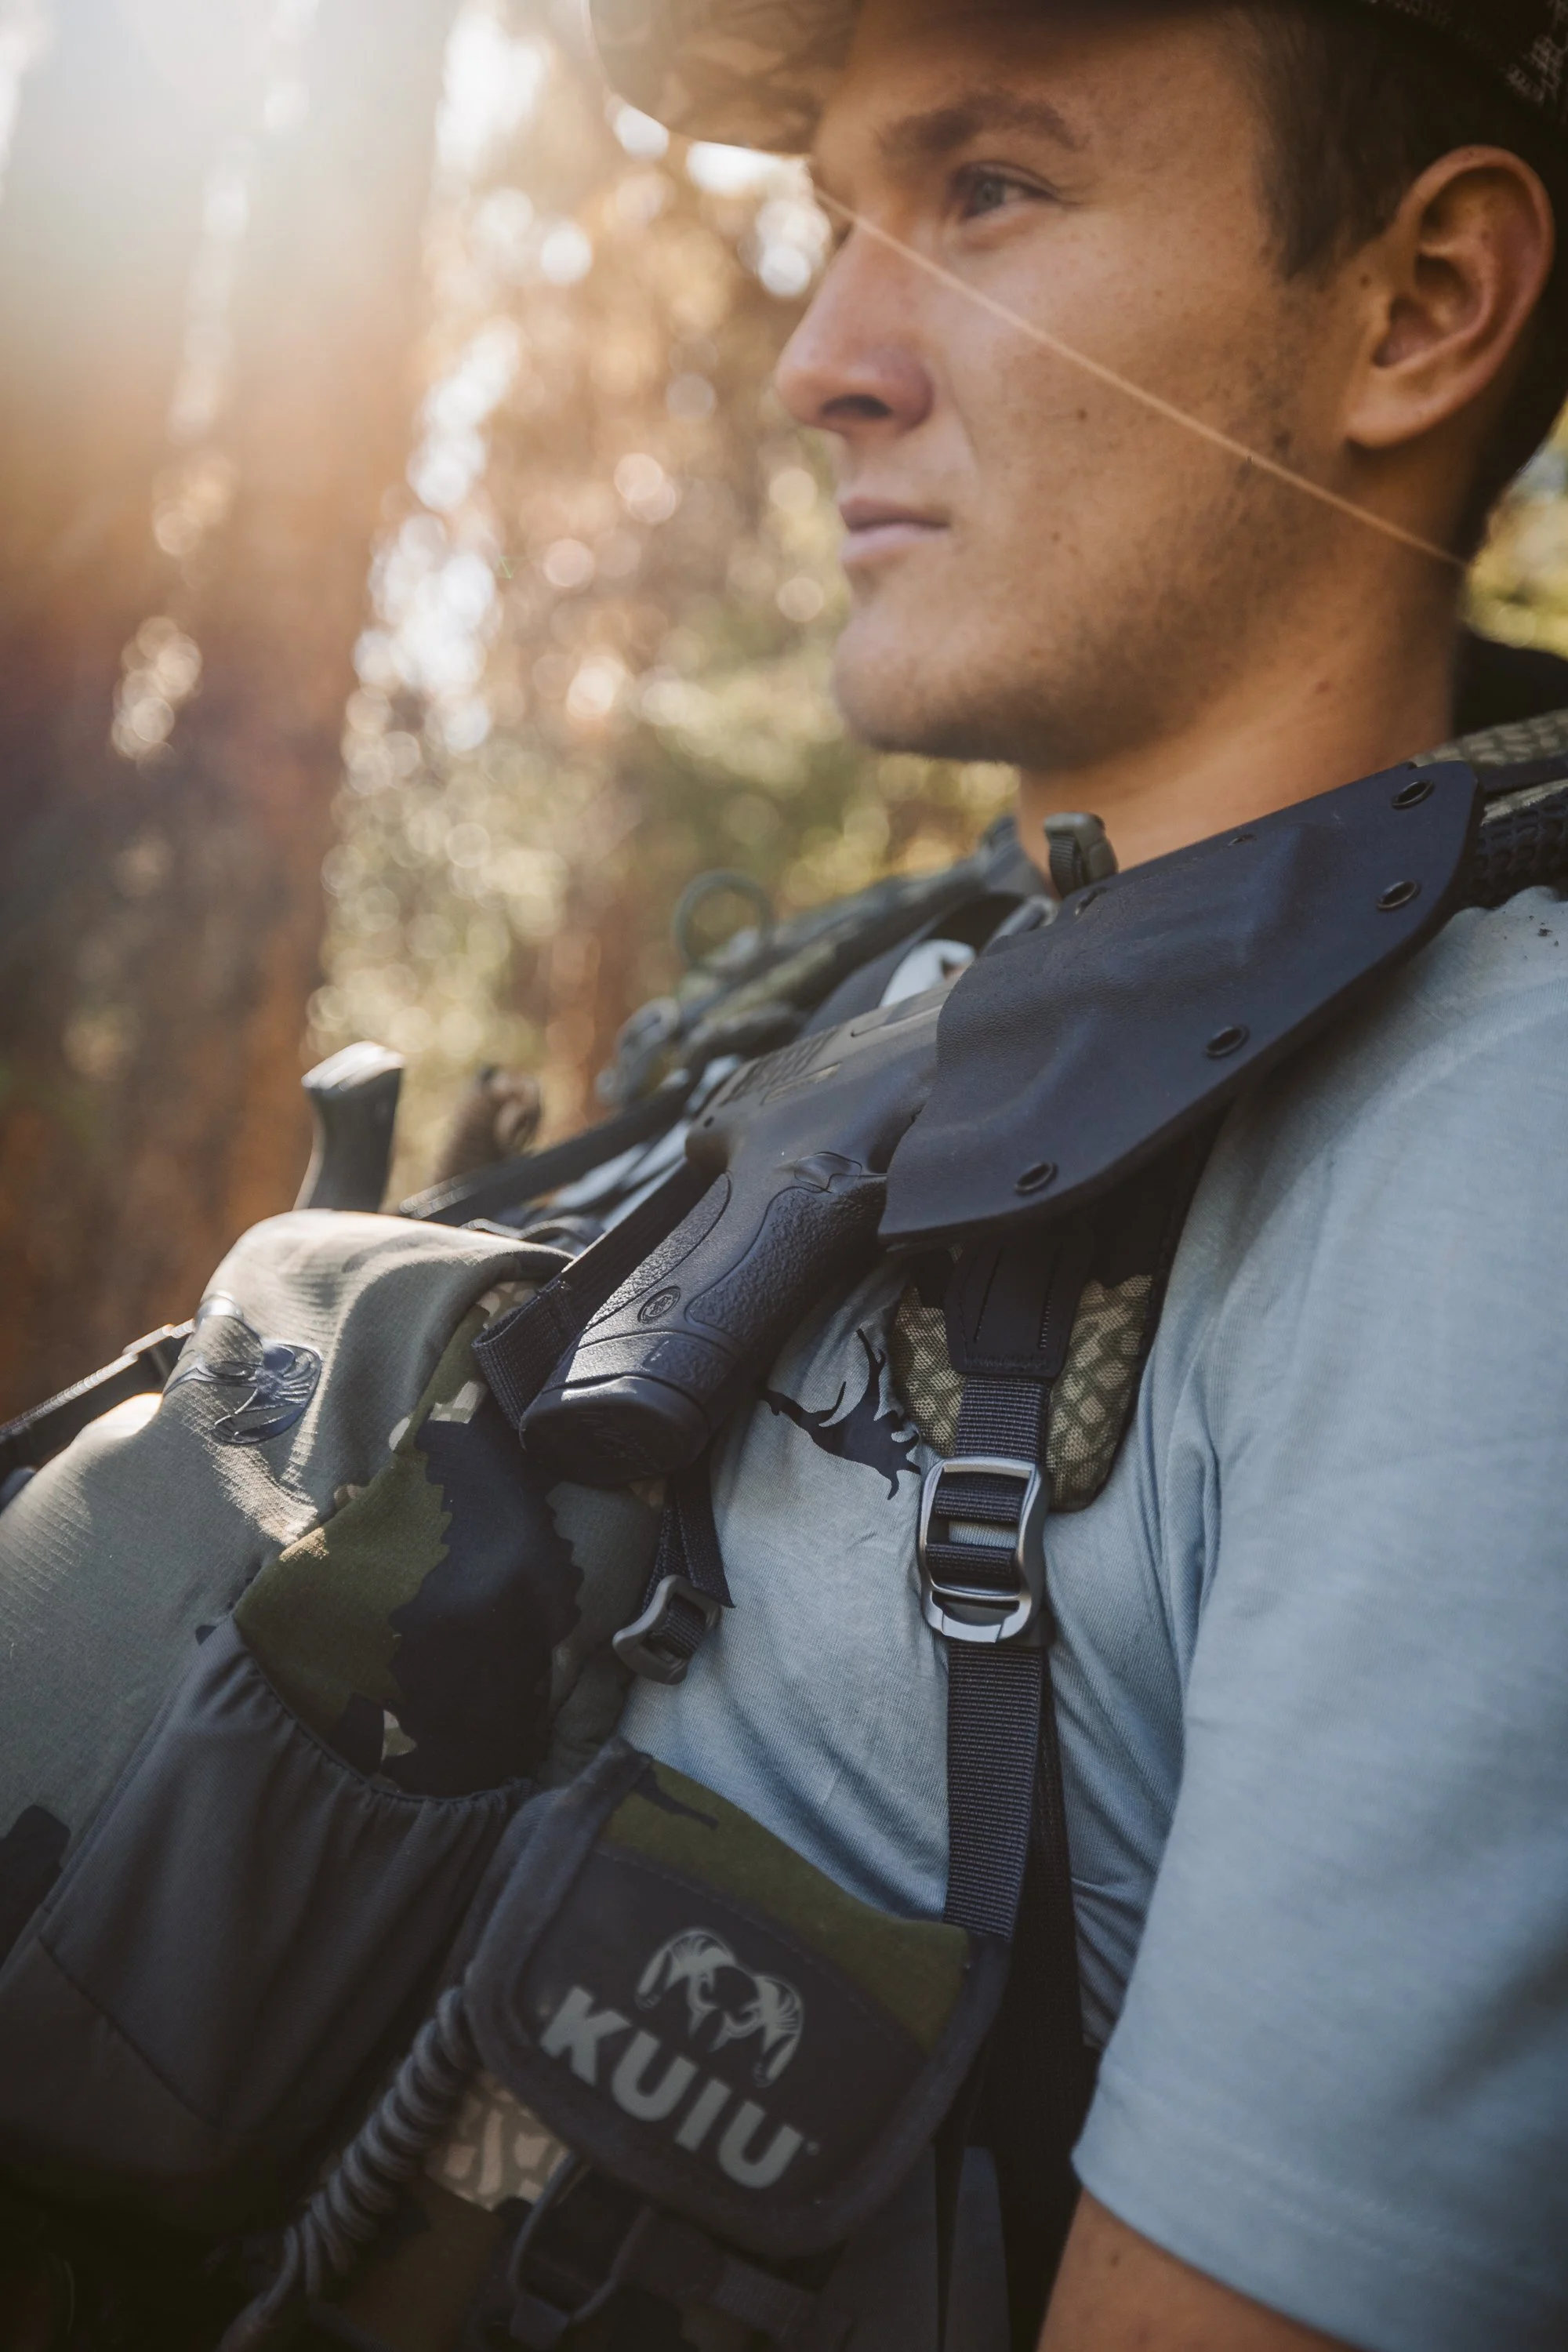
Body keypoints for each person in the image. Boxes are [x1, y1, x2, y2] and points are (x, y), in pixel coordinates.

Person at [575, 1, 1568, 2346]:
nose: (826, 357)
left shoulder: (1488, 1169)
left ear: (1419, 306)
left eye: (987, 189)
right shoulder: (897, 1006)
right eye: (832, 221)